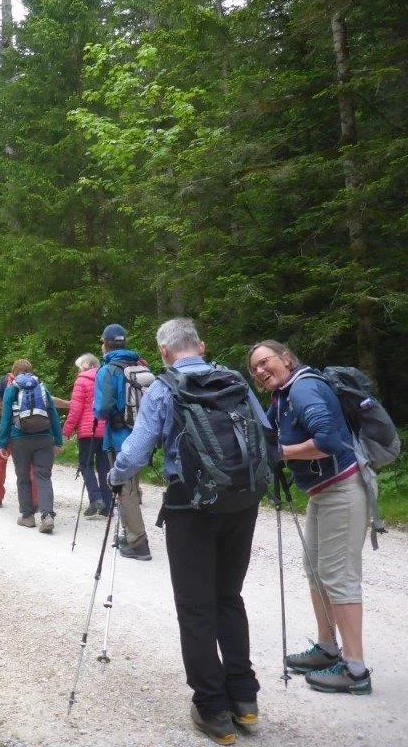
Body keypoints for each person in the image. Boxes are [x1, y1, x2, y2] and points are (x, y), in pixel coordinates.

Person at [108, 318, 263, 744]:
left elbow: (137, 449)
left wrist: (116, 476)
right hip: (241, 503)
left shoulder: (164, 388)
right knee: (228, 597)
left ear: (163, 353)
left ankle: (212, 709)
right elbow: (265, 434)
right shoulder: (234, 380)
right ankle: (245, 702)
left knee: (195, 608)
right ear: (201, 345)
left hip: (190, 508)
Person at [248, 340, 373, 696]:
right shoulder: (283, 395)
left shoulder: (303, 389)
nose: (259, 371)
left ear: (286, 358)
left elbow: (329, 441)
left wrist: (282, 453)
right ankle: (327, 649)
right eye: (254, 367)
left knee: (339, 577)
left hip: (343, 490)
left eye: (264, 361)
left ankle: (355, 670)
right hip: (323, 493)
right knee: (316, 570)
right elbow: (263, 433)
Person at [94, 323, 151, 560]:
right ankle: (129, 534)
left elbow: (103, 408)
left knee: (123, 487)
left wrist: (99, 412)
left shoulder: (108, 371)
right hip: (143, 436)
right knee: (133, 485)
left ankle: (138, 543)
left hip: (119, 437)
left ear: (105, 344)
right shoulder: (138, 366)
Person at [0, 359, 63, 534]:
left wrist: (2, 443)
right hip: (44, 438)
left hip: (20, 440)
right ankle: (47, 515)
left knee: (23, 477)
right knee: (43, 476)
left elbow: (5, 419)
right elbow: (53, 414)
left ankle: (27, 517)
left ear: (15, 373)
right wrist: (58, 440)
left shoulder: (12, 389)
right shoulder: (42, 388)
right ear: (30, 371)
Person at [62, 353, 109, 517]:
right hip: (106, 429)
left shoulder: (81, 380)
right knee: (104, 467)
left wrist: (66, 431)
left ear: (85, 365)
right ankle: (106, 505)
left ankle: (96, 498)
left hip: (87, 430)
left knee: (86, 465)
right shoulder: (106, 377)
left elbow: (75, 409)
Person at [0, 362, 35, 510]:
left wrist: (2, 414)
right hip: (27, 429)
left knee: (0, 461)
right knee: (29, 465)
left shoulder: (6, 381)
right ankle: (34, 499)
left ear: (13, 371)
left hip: (7, 428)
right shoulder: (34, 383)